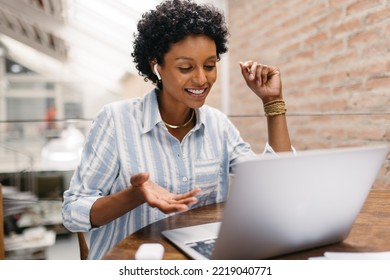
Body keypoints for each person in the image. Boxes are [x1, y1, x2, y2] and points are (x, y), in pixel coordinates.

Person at [62, 0, 293, 260]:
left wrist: (273, 103)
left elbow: (277, 186)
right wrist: (134, 195)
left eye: (209, 65)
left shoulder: (218, 125)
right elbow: (72, 212)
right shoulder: (116, 120)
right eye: (185, 68)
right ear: (156, 66)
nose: (201, 79)